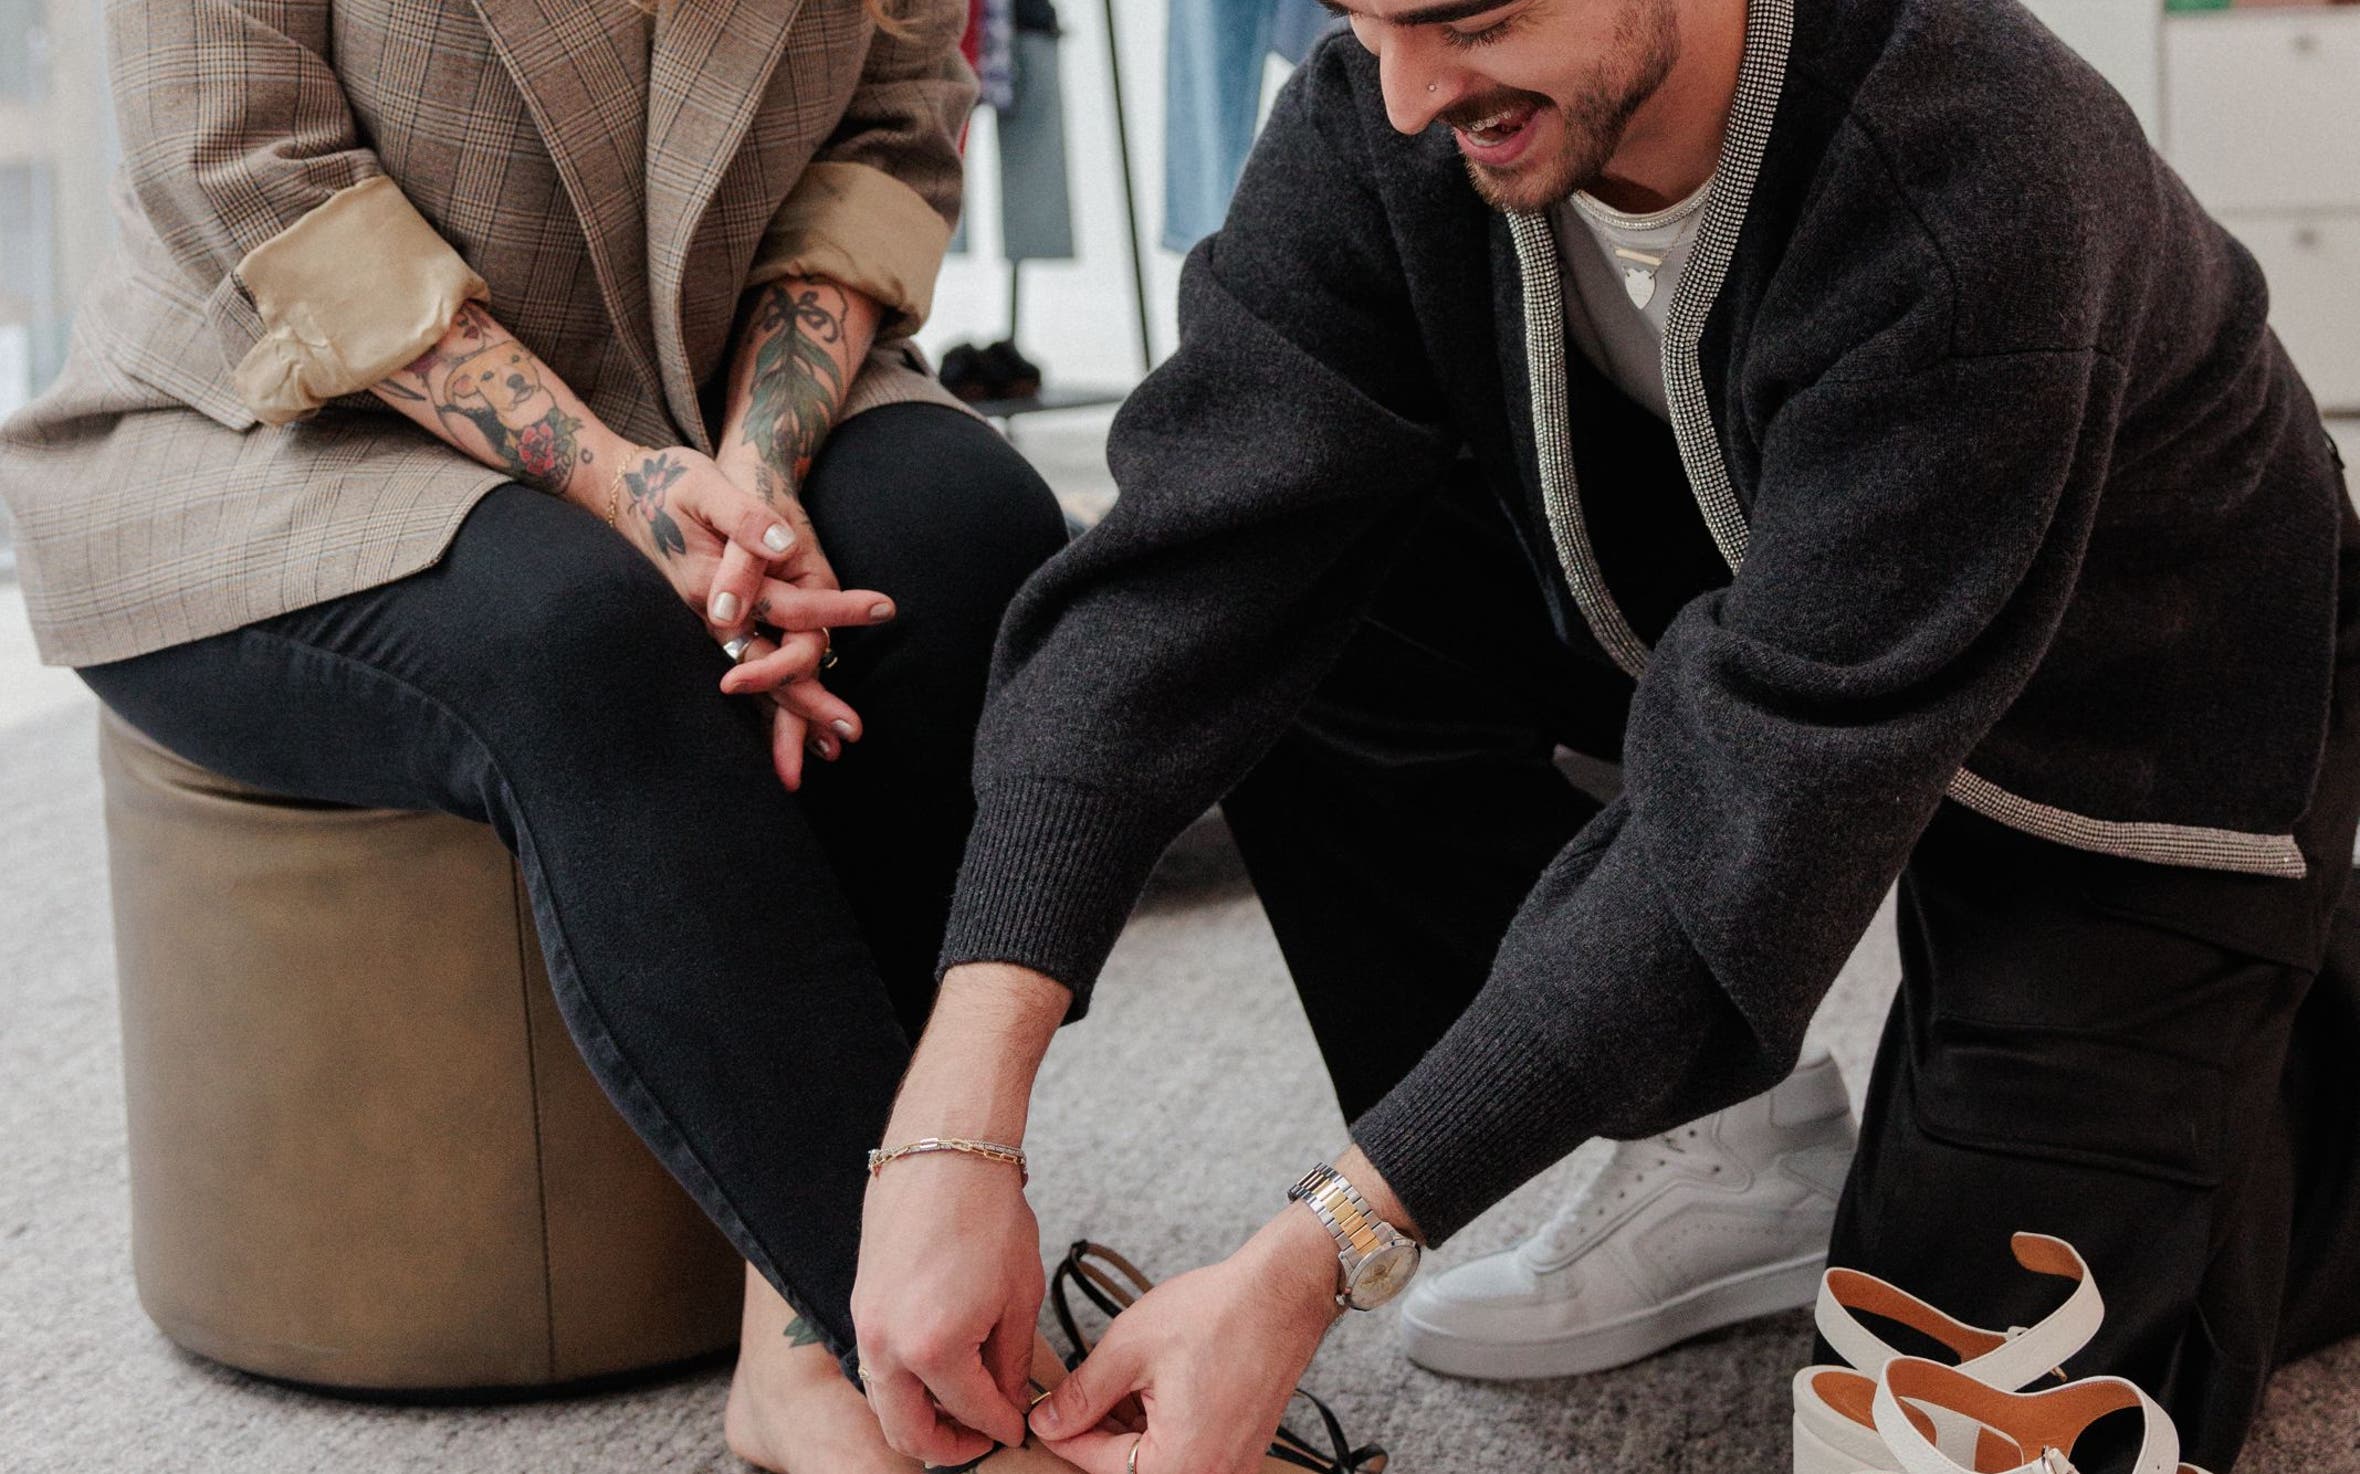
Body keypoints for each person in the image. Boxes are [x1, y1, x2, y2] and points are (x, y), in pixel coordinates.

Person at [847, 0, 2360, 1470]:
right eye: (1366, 20)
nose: (1407, 94)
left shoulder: (1974, 166)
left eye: (1471, 15)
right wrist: (953, 1120)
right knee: (1297, 587)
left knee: (1951, 1419)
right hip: (1761, 592)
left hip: (2138, 733)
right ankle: (1729, 1133)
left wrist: (1312, 1254)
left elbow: (1754, 810)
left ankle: (2281, 1038)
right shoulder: (1387, 117)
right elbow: (1175, 576)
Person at [0, 0, 1069, 1469]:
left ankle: (803, 1343)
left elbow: (890, 123)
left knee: (968, 542)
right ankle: (951, 1377)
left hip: (696, 378)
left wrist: (755, 484)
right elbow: (249, 166)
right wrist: (628, 493)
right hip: (272, 421)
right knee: (587, 636)